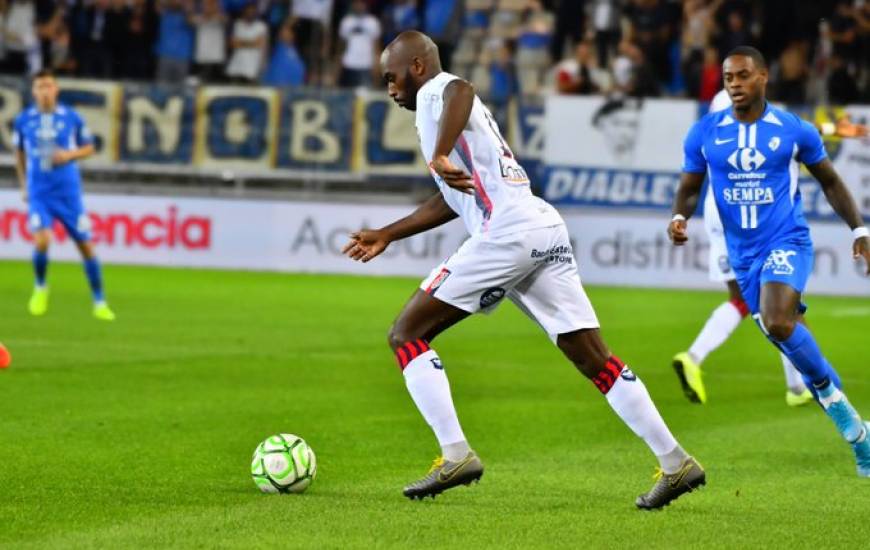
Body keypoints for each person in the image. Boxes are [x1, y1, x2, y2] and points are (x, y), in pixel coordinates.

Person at [342, 31, 705, 509]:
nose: (389, 90)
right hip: (541, 225)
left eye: (391, 78)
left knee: (406, 333)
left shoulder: (438, 91)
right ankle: (676, 462)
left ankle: (455, 454)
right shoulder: (443, 119)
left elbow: (461, 88)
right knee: (593, 357)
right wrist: (390, 231)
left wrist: (439, 152)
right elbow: (455, 198)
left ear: (416, 67)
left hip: (508, 232)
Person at [669, 46, 870, 477]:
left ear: (763, 77)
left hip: (787, 240)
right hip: (742, 256)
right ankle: (854, 427)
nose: (735, 84)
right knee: (783, 333)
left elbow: (831, 182)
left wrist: (859, 230)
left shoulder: (792, 130)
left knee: (778, 321)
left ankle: (841, 416)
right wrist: (679, 216)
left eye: (743, 76)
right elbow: (689, 185)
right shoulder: (705, 134)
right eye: (728, 78)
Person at [12, 70, 116, 322]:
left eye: (48, 86)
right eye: (40, 87)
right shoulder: (24, 120)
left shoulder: (71, 117)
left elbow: (90, 147)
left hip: (68, 193)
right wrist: (24, 186)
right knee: (42, 240)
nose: (45, 91)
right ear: (34, 91)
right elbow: (19, 154)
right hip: (40, 193)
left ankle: (99, 301)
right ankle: (40, 287)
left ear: (56, 89)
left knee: (86, 246)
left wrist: (68, 156)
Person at [336, 0, 380, 88]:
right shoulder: (346, 22)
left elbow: (376, 46)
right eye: (357, 3)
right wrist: (338, 65)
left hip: (366, 65)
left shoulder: (373, 22)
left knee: (364, 96)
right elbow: (341, 47)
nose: (359, 5)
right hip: (348, 63)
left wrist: (376, 65)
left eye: (362, 3)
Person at [225, 2, 268, 83]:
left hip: (252, 68)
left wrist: (241, 42)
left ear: (256, 13)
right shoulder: (238, 24)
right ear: (244, 12)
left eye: (252, 11)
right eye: (248, 11)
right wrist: (252, 43)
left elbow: (260, 44)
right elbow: (233, 44)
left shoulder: (261, 26)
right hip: (236, 67)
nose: (250, 13)